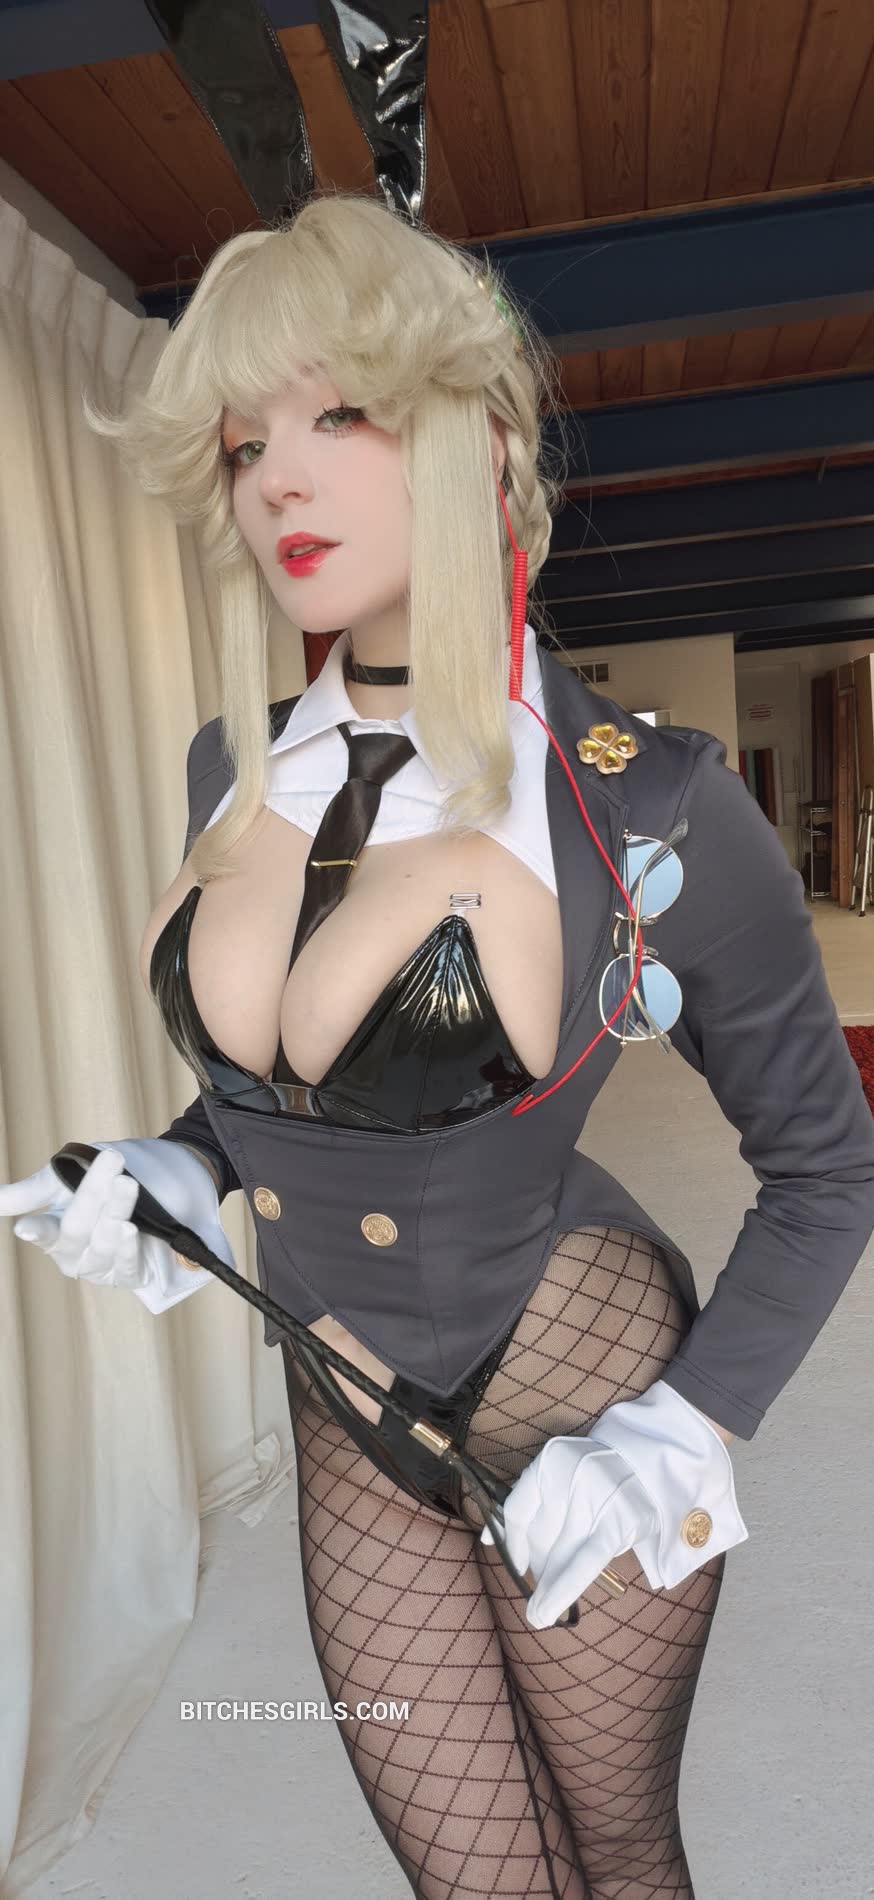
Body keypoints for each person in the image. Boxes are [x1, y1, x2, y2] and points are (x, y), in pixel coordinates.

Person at [3, 191, 873, 1900]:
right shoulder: (233, 764)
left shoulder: (643, 802)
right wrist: (177, 1162)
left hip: (578, 1380)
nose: (277, 479)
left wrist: (685, 1427)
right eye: (245, 441)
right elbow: (282, 1082)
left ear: (473, 438)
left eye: (338, 414)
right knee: (469, 1877)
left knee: (616, 1851)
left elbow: (825, 1166)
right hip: (344, 1402)